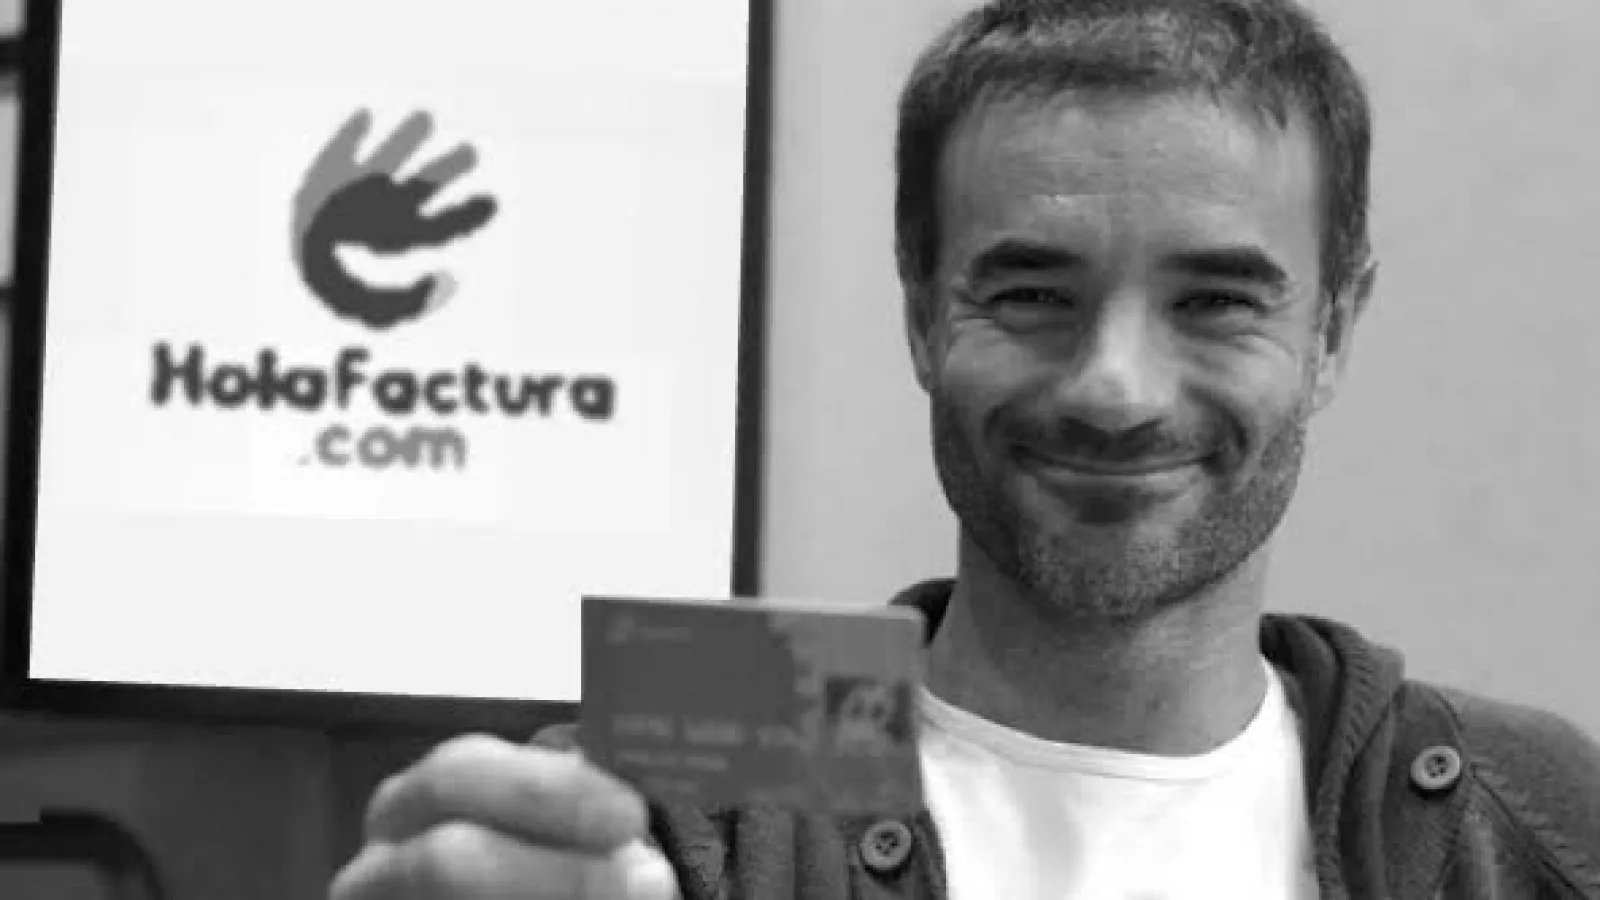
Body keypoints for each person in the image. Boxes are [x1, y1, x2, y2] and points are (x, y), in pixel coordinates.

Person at [329, 0, 1600, 897]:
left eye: (1215, 301)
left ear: (1331, 333)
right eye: (1032, 293)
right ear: (921, 316)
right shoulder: (658, 793)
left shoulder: (1536, 816)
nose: (1114, 389)